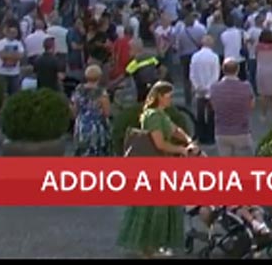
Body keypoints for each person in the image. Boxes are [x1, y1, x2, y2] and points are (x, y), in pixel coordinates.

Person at [116, 81, 198, 257]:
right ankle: (148, 249)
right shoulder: (152, 116)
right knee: (152, 208)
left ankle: (157, 244)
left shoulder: (162, 114)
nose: (170, 100)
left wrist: (188, 139)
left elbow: (175, 130)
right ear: (159, 97)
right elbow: (159, 144)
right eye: (168, 96)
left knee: (164, 207)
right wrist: (182, 150)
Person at [210, 59, 255, 156]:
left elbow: (213, 106)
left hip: (222, 131)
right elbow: (251, 106)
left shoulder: (214, 88)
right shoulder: (246, 87)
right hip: (242, 131)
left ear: (223, 70)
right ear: (237, 70)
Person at [70, 63, 112, 156]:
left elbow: (73, 111)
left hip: (81, 125)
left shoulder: (78, 90)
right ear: (99, 77)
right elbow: (107, 112)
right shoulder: (101, 93)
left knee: (82, 151)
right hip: (96, 127)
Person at [189, 35, 221, 145]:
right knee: (211, 114)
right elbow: (215, 75)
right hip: (211, 90)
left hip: (199, 90)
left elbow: (192, 74)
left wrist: (198, 86)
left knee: (200, 114)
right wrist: (208, 87)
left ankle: (201, 135)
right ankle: (210, 137)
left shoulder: (195, 56)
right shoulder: (214, 57)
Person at [254, 28, 272, 123]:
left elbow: (256, 56)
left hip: (262, 70)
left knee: (263, 94)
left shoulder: (258, 46)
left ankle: (263, 115)